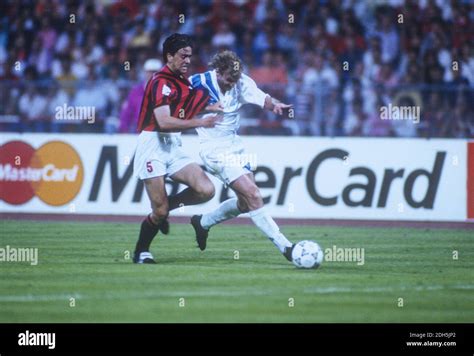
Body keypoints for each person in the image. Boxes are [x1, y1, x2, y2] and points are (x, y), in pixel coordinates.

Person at [189, 50, 295, 262]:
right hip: (213, 149)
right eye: (228, 80)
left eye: (234, 80)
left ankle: (203, 222)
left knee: (246, 203)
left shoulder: (240, 80)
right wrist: (207, 107)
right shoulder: (197, 82)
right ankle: (287, 247)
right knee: (254, 194)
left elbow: (261, 97)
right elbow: (177, 107)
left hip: (235, 146)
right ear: (218, 71)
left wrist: (274, 105)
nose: (231, 84)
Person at [132, 33, 222, 264]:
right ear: (169, 56)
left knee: (206, 190)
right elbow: (164, 121)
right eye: (183, 56)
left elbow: (184, 111)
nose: (187, 61)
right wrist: (202, 121)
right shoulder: (159, 81)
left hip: (173, 144)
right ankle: (141, 251)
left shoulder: (182, 80)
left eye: (189, 56)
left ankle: (163, 209)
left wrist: (211, 106)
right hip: (153, 143)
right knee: (159, 211)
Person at [119, 59, 163, 133]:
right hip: (139, 133)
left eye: (155, 72)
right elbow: (127, 112)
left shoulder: (168, 91)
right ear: (145, 73)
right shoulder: (135, 91)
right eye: (150, 72)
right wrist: (124, 130)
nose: (152, 75)